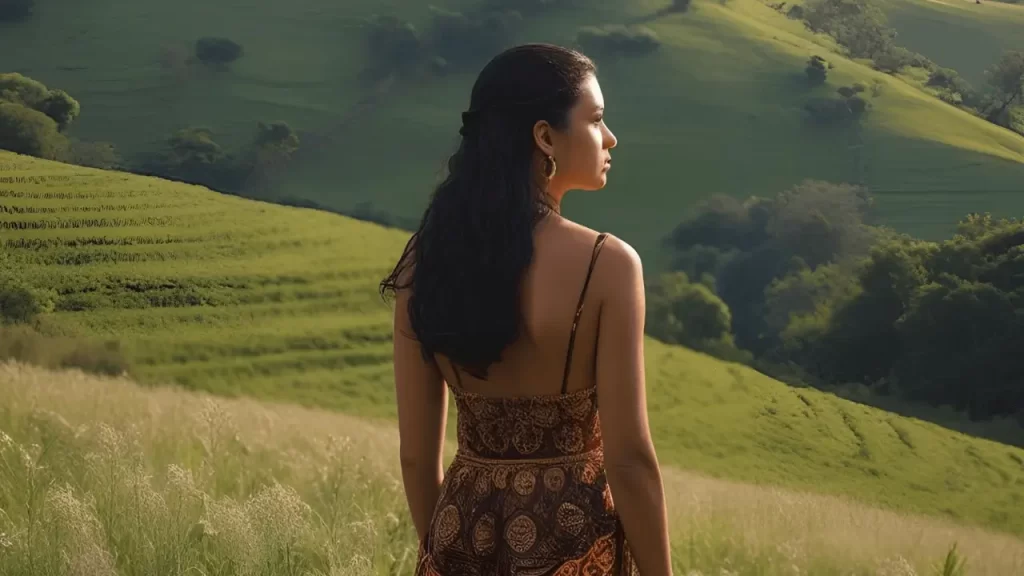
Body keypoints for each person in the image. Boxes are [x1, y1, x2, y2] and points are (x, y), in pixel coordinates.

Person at [380, 43, 673, 576]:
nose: (610, 138)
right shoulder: (607, 265)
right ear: (544, 137)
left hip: (460, 535)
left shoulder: (425, 262)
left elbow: (416, 459)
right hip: (576, 546)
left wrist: (441, 554)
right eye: (597, 120)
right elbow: (630, 461)